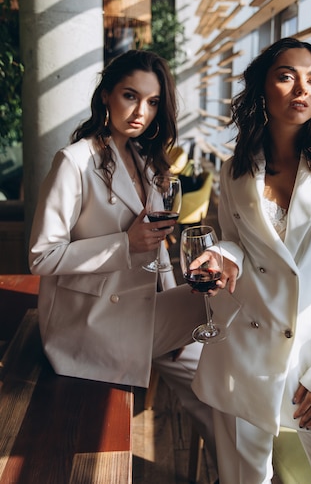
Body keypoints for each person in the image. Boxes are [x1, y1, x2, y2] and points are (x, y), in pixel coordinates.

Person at [191, 37, 311, 483]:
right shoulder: (237, 167)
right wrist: (221, 256)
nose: (302, 88)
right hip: (247, 353)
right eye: (286, 76)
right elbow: (236, 241)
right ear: (262, 87)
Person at [29, 49, 217, 466]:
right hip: (91, 322)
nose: (141, 112)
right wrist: (123, 244)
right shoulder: (74, 162)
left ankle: (235, 469)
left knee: (213, 382)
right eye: (130, 96)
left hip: (139, 308)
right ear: (106, 96)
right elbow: (41, 257)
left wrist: (170, 292)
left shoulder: (142, 158)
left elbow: (158, 245)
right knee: (216, 339)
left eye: (152, 102)